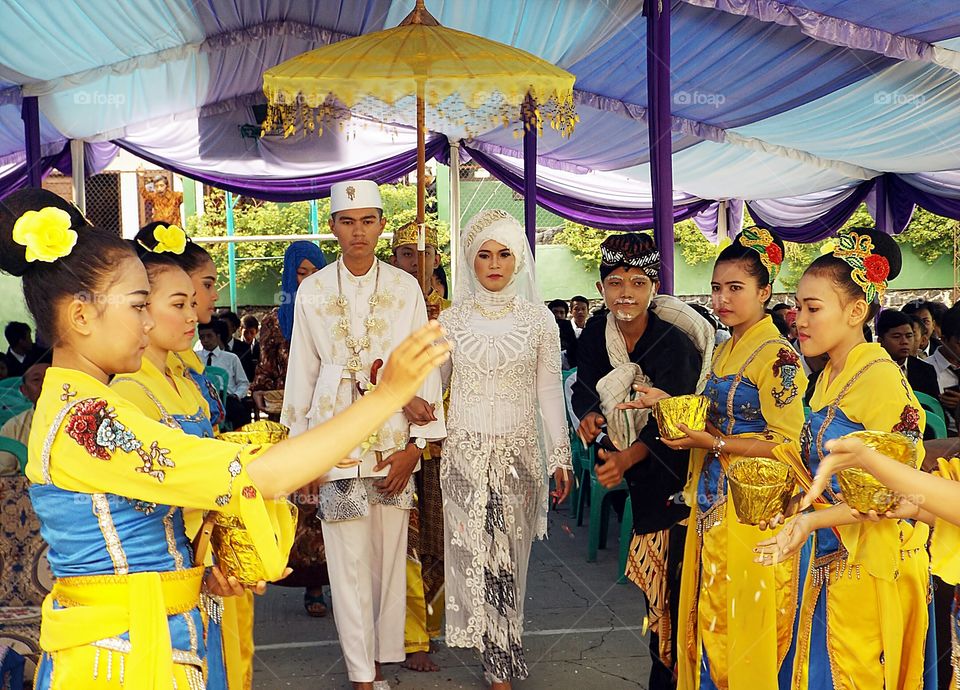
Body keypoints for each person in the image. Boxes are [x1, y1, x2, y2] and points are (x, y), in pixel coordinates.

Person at [0, 187, 449, 690]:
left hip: (154, 639)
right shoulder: (86, 425)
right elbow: (256, 476)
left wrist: (201, 566)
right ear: (81, 316)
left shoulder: (92, 410)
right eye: (138, 305)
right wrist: (385, 396)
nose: (151, 323)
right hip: (121, 661)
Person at [621, 228, 808, 690]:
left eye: (736, 288)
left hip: (752, 510)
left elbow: (787, 445)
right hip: (710, 504)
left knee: (738, 625)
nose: (722, 299)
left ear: (765, 292)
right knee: (710, 616)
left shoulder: (780, 357)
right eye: (717, 288)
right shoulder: (725, 348)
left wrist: (714, 444)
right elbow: (712, 414)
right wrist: (666, 402)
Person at [281, 180, 446, 690]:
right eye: (348, 222)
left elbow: (425, 368)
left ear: (380, 225)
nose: (359, 231)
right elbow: (302, 374)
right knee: (347, 558)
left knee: (388, 558)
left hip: (395, 443)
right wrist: (300, 454)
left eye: (368, 221)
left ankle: (382, 655)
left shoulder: (404, 288)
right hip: (337, 444)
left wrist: (416, 450)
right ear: (333, 227)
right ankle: (361, 672)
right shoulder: (311, 290)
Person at [754, 227, 933, 690]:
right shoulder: (831, 372)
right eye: (798, 307)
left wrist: (812, 520)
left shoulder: (878, 377)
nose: (799, 319)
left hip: (868, 564)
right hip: (831, 553)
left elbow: (902, 491)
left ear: (856, 311)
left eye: (813, 308)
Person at [439, 209, 572, 690]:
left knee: (509, 560)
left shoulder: (540, 321)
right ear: (471, 263)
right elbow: (436, 388)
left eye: (504, 254)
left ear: (519, 261)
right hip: (464, 458)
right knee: (476, 555)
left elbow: (549, 392)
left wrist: (561, 455)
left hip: (518, 457)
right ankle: (496, 657)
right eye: (484, 255)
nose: (494, 264)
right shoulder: (450, 321)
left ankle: (504, 653)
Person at [572, 232, 706, 690]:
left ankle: (674, 677)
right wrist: (590, 416)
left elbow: (676, 421)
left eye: (637, 281)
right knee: (658, 598)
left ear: (653, 287)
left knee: (678, 588)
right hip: (644, 480)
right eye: (615, 282)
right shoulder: (596, 332)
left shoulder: (675, 344)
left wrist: (628, 457)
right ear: (601, 288)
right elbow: (585, 385)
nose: (625, 292)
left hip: (682, 479)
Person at [249, 241, 329, 617]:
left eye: (316, 271)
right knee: (300, 507)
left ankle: (329, 582)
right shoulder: (274, 323)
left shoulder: (337, 313)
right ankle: (303, 578)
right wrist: (266, 396)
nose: (309, 279)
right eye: (301, 272)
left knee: (329, 506)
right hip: (290, 426)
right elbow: (262, 376)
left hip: (331, 424)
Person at [390, 221, 448, 672]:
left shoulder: (453, 315)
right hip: (399, 441)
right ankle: (411, 638)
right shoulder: (387, 308)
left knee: (441, 541)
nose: (417, 263)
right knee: (407, 541)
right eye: (408, 254)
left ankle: (433, 625)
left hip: (448, 445)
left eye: (425, 254)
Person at [196, 318, 250, 429]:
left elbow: (243, 383)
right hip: (202, 398)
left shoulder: (231, 358)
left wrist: (236, 395)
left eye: (209, 336)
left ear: (217, 336)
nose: (205, 340)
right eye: (202, 337)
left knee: (240, 412)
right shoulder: (195, 358)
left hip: (227, 398)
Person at [877, 309, 940, 400]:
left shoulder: (926, 370)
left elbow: (933, 407)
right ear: (880, 341)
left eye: (909, 336)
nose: (904, 342)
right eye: (897, 337)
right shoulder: (872, 369)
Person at [0, 361, 48, 474]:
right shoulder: (13, 427)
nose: (45, 383)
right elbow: (4, 472)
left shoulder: (81, 419)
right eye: (37, 380)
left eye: (50, 378)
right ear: (24, 391)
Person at [220, 310, 258, 382]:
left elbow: (249, 375)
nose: (221, 329)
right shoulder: (213, 347)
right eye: (219, 326)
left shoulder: (244, 348)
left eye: (224, 326)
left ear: (234, 328)